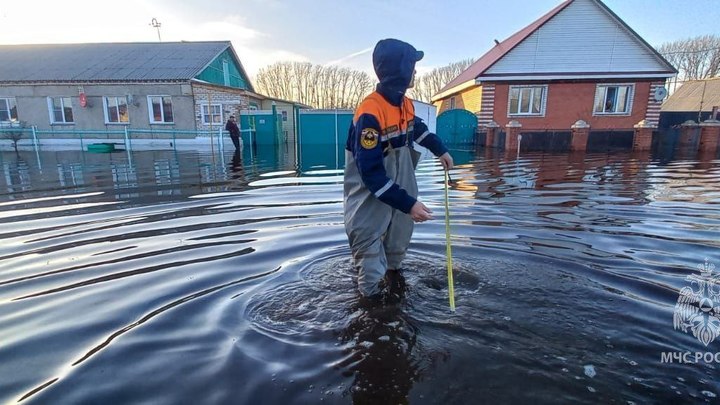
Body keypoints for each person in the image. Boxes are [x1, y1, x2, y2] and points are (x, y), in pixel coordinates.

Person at [344, 38, 454, 299]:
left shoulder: (404, 104)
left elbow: (417, 129)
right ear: (401, 69)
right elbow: (371, 174)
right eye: (412, 65)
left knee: (395, 252)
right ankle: (369, 319)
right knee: (370, 269)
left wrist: (441, 150)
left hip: (397, 195)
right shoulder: (370, 113)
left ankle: (394, 297)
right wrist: (410, 204)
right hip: (369, 201)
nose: (416, 71)